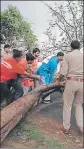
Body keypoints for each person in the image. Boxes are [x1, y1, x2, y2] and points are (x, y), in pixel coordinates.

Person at [58, 40, 83, 134]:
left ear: (71, 47)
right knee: (79, 104)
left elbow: (63, 72)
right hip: (82, 83)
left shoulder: (68, 56)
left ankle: (66, 127)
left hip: (71, 81)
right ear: (79, 47)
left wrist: (59, 80)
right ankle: (81, 126)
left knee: (67, 105)